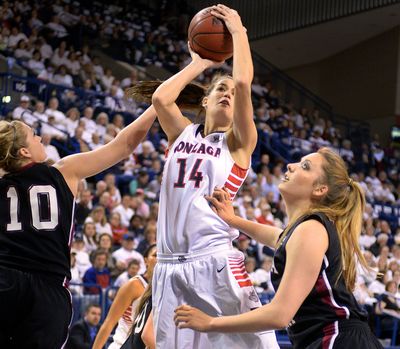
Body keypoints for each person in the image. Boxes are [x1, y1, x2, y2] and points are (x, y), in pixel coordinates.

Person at [129, 4, 278, 348]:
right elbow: (161, 98)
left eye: (232, 93)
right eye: (220, 90)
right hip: (167, 267)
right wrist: (200, 62)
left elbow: (242, 80)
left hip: (214, 261)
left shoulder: (239, 142)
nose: (229, 93)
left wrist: (238, 31)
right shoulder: (182, 134)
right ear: (206, 100)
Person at [174, 147, 383, 349]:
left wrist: (210, 323)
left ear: (320, 189)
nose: (291, 166)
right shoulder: (305, 230)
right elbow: (277, 237)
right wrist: (233, 220)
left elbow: (280, 315)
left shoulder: (311, 229)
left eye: (305, 166)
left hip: (338, 338)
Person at [0, 105, 157, 348]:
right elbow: (124, 145)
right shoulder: (63, 172)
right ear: (24, 151)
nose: (40, 137)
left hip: (6, 280)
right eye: (33, 135)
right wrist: (157, 105)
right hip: (47, 288)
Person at [92, 244, 157, 349]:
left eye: (161, 256)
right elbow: (109, 323)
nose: (159, 259)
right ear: (145, 260)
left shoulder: (164, 289)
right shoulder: (134, 285)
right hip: (123, 345)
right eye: (155, 255)